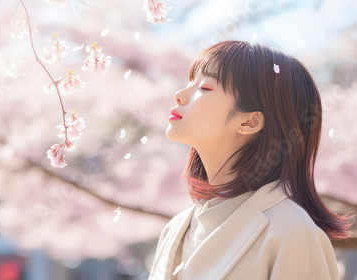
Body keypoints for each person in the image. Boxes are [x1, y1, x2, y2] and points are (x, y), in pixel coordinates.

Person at [148, 41, 353, 280]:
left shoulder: (293, 234)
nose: (180, 95)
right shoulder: (176, 229)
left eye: (204, 88)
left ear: (249, 122)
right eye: (190, 82)